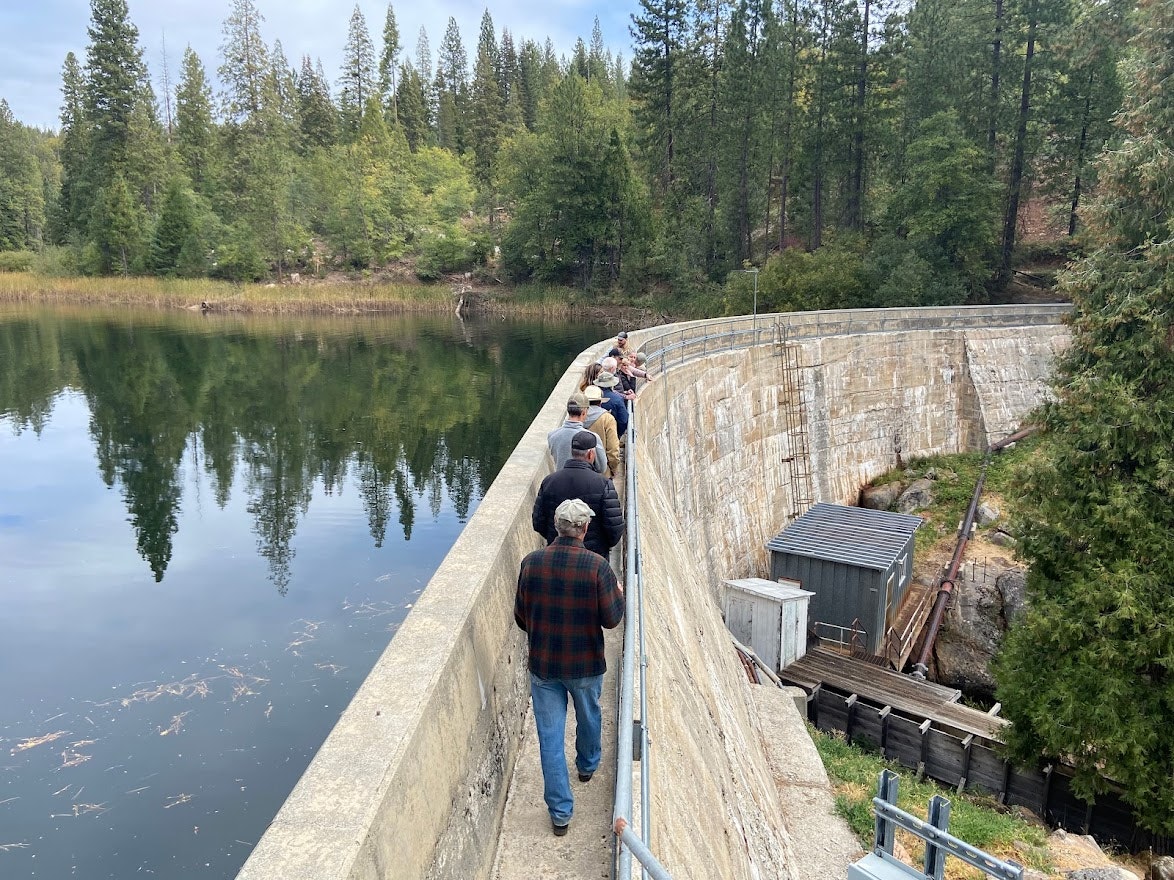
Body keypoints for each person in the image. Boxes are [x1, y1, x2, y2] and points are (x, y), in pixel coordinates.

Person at [515, 498, 625, 836]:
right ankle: (587, 766)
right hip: (585, 663)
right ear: (585, 528)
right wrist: (617, 592)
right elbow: (612, 619)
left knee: (549, 739)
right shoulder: (597, 567)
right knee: (589, 716)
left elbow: (521, 618)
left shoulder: (531, 563)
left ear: (557, 527)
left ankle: (560, 814)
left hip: (544, 665)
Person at [532, 432, 624, 557]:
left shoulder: (549, 481)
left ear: (572, 452)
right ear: (591, 454)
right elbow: (614, 528)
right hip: (593, 556)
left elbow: (538, 523)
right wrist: (601, 547)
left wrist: (554, 538)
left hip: (556, 554)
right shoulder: (603, 484)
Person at [547, 392, 607, 475]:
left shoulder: (552, 435)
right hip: (585, 483)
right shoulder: (593, 438)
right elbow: (602, 468)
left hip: (560, 482)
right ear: (584, 412)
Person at [583, 385, 620, 479]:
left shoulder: (579, 417)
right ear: (600, 402)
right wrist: (614, 468)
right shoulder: (607, 418)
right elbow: (613, 448)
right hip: (603, 473)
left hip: (581, 472)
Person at [593, 370, 629, 438]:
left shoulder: (591, 397)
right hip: (611, 434)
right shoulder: (617, 399)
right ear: (612, 385)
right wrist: (618, 434)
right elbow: (623, 420)